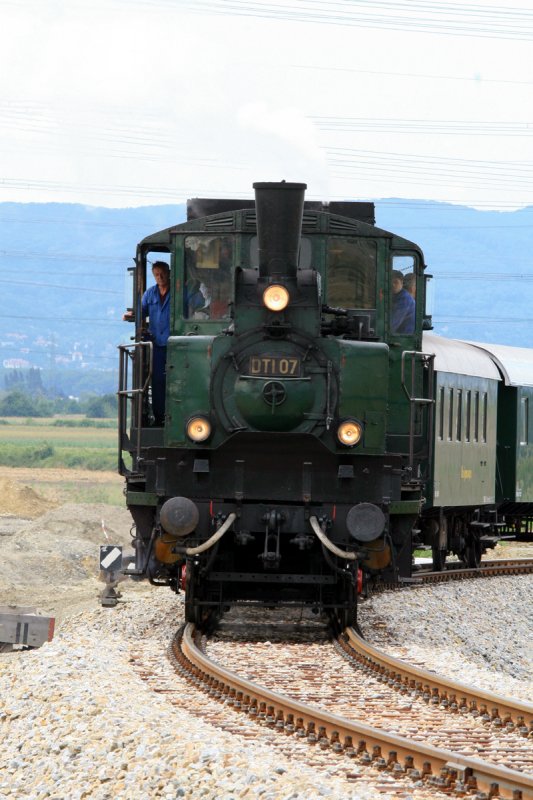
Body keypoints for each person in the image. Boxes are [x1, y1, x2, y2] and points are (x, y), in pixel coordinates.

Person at [124, 260, 170, 424]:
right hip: (156, 345)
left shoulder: (180, 293)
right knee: (157, 381)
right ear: (153, 276)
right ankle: (159, 418)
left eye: (163, 273)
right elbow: (140, 312)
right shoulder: (149, 294)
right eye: (157, 274)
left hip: (176, 344)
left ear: (169, 273)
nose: (160, 277)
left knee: (176, 380)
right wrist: (131, 315)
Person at [391, 269, 415, 334]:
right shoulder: (396, 296)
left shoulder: (405, 299)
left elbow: (392, 325)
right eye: (390, 282)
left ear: (401, 282)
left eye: (396, 282)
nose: (393, 285)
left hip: (403, 338)